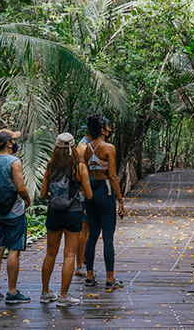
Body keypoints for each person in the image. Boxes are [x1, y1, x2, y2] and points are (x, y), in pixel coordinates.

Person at [39, 132, 93, 307]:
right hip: (73, 213)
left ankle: (45, 292)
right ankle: (63, 296)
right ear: (72, 147)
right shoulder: (79, 167)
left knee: (50, 253)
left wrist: (55, 197)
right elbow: (89, 194)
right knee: (69, 255)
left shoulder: (50, 166)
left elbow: (42, 194)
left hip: (54, 213)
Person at [0, 128, 32, 304]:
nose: (15, 142)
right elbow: (20, 187)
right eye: (13, 139)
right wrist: (27, 199)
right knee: (14, 250)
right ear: (9, 143)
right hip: (14, 212)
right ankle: (12, 291)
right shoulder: (14, 162)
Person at [82, 115, 125, 291]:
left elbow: (85, 173)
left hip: (91, 192)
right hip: (105, 192)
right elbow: (113, 176)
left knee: (92, 235)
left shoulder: (86, 149)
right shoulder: (109, 148)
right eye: (108, 126)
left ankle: (90, 276)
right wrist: (120, 200)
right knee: (108, 237)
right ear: (102, 129)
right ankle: (109, 279)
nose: (110, 129)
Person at [73, 123, 92, 277]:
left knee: (86, 230)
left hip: (86, 192)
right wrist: (86, 193)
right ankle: (79, 264)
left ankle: (84, 260)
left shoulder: (89, 146)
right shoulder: (83, 147)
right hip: (82, 194)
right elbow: (81, 173)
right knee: (83, 231)